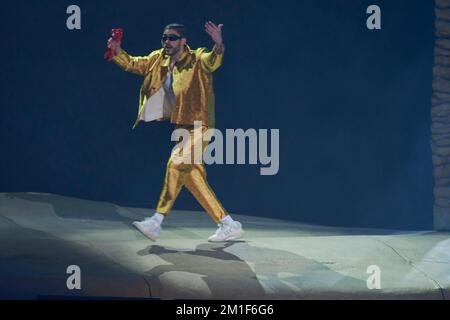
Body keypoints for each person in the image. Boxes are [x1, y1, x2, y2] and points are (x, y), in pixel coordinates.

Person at [107, 22, 243, 242]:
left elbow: (213, 60)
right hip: (182, 129)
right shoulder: (158, 59)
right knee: (191, 177)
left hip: (202, 126)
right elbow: (134, 64)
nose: (167, 42)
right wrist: (117, 50)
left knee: (175, 163)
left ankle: (156, 221)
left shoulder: (197, 59)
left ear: (183, 41)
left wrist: (218, 44)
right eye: (164, 38)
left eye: (172, 38)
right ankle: (228, 224)